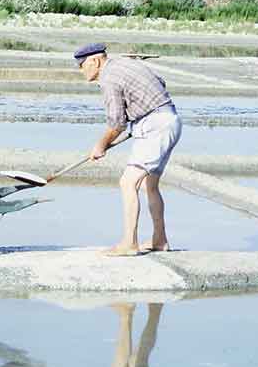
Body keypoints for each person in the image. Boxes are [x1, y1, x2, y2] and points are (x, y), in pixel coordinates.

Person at [75, 43, 182, 256]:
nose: (81, 70)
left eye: (82, 65)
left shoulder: (108, 78)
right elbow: (160, 82)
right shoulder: (125, 63)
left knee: (128, 182)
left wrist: (101, 145)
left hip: (155, 126)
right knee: (148, 185)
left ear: (95, 61)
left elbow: (117, 123)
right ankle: (159, 240)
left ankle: (129, 243)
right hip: (168, 119)